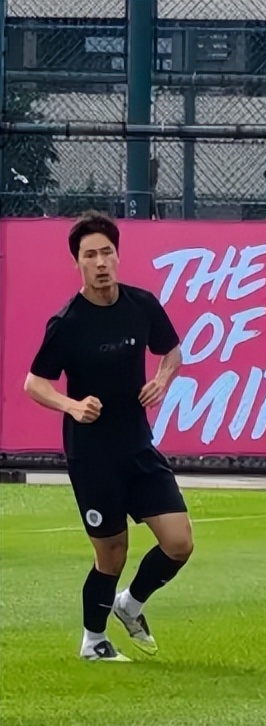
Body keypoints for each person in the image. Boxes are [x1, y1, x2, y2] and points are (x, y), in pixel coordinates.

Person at [23, 211, 194, 663]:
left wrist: (161, 380)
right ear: (77, 262)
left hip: (138, 447)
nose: (100, 262)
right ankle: (93, 641)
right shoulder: (68, 322)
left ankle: (130, 604)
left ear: (118, 255)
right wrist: (72, 406)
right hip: (92, 456)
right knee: (112, 555)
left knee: (179, 542)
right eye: (90, 255)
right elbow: (34, 383)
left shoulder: (141, 305)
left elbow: (172, 350)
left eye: (106, 252)